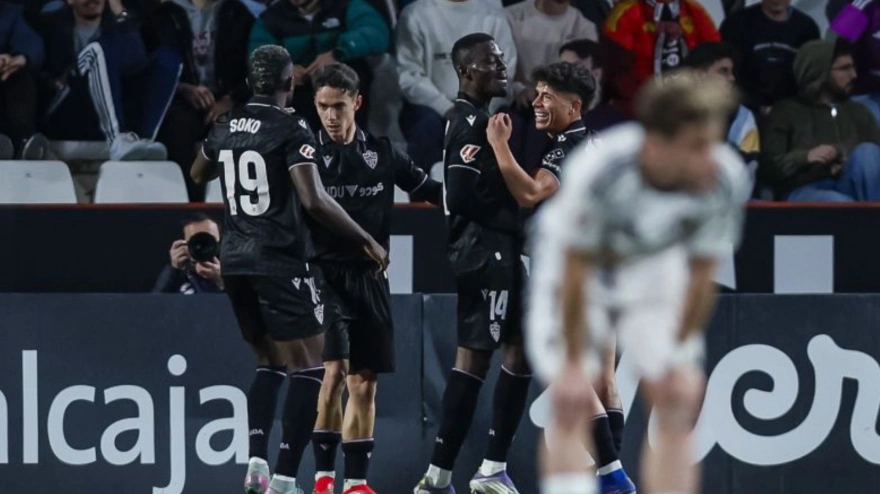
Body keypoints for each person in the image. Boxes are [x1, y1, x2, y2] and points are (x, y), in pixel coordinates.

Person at [527, 71, 749, 494]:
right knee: (571, 395)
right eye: (697, 145)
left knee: (678, 394)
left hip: (651, 265)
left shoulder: (722, 177)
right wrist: (572, 360)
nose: (711, 157)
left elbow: (702, 275)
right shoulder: (602, 169)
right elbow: (575, 269)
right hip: (573, 265)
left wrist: (677, 355)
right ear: (659, 141)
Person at [190, 45, 388, 494]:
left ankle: (256, 463)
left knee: (269, 364)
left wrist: (229, 144)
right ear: (291, 84)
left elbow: (198, 172)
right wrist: (366, 239)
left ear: (250, 83)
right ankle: (282, 478)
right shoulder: (290, 127)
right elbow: (314, 200)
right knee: (311, 368)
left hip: (235, 260)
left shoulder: (226, 123)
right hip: (279, 258)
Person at [485, 61, 636, 494]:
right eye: (537, 93)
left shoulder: (567, 147)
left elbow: (532, 193)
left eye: (547, 96)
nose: (536, 102)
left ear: (574, 106)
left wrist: (499, 146)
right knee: (604, 379)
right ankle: (612, 479)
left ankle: (612, 475)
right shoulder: (599, 145)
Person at [306, 62, 442, 494]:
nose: (330, 116)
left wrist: (478, 197)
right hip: (324, 275)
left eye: (339, 107)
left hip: (371, 278)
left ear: (357, 103)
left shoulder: (383, 154)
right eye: (323, 107)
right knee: (334, 370)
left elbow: (430, 191)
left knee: (364, 382)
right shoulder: (305, 158)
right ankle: (323, 479)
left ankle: (356, 483)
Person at [413, 32, 531, 494]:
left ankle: (492, 467)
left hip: (498, 251)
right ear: (465, 71)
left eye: (502, 60)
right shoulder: (467, 122)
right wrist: (514, 218)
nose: (502, 68)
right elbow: (458, 195)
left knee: (520, 354)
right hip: (485, 253)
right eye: (491, 61)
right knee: (475, 361)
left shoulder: (480, 119)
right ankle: (438, 475)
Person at [35, 0, 176, 160]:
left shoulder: (117, 25)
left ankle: (145, 142)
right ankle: (116, 141)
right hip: (65, 106)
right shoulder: (51, 23)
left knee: (167, 60)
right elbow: (37, 66)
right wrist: (52, 83)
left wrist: (120, 12)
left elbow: (138, 55)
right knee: (97, 51)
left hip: (108, 106)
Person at [149, 0, 255, 201]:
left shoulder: (238, 14)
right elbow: (152, 70)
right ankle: (192, 204)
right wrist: (182, 88)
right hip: (181, 100)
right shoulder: (163, 15)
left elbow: (252, 70)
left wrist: (231, 99)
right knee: (177, 125)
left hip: (230, 99)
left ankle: (243, 204)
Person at [395, 0, 517, 170]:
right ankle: (430, 184)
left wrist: (480, 111)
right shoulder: (415, 14)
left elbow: (505, 72)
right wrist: (447, 108)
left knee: (511, 126)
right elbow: (410, 75)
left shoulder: (493, 15)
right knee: (425, 127)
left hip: (485, 107)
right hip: (432, 108)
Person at [761, 39, 880, 202]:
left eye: (853, 67)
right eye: (844, 68)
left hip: (849, 184)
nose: (854, 75)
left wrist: (842, 156)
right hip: (804, 189)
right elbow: (769, 168)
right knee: (838, 203)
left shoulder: (859, 112)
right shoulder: (786, 111)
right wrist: (807, 157)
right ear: (819, 72)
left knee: (867, 151)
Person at [247, 0, 390, 130]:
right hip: (299, 95)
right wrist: (282, 69)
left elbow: (376, 33)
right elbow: (258, 54)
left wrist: (337, 54)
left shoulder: (346, 5)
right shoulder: (272, 18)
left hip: (343, 90)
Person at [601, 0, 719, 115]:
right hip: (638, 111)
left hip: (689, 108)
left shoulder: (694, 10)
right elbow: (615, 69)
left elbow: (716, 56)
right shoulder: (625, 12)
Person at [720, 0, 819, 115]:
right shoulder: (736, 24)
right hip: (744, 112)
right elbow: (723, 72)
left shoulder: (807, 28)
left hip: (793, 114)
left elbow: (813, 77)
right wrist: (757, 108)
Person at [684, 41, 760, 190]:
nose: (732, 78)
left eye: (732, 72)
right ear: (699, 75)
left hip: (727, 197)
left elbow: (748, 168)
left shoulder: (743, 117)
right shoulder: (671, 112)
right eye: (723, 71)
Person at [504, 0, 597, 112]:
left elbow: (585, 84)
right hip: (518, 104)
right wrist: (518, 89)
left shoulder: (584, 29)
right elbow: (500, 69)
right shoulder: (511, 17)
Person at [0, 1, 43, 158]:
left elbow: (30, 40)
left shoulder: (8, 13)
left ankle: (22, 145)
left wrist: (20, 59)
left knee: (20, 77)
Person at [152, 213, 224, 294]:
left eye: (208, 239)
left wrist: (223, 281)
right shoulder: (176, 274)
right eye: (197, 240)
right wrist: (174, 270)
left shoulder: (233, 268)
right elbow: (154, 300)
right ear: (183, 243)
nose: (202, 245)